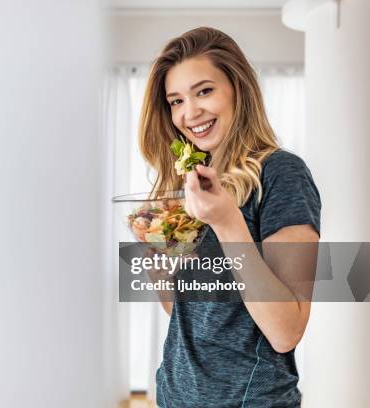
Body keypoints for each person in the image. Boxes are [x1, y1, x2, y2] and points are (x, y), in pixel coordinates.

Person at [138, 27, 321, 407]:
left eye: (204, 91)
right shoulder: (192, 186)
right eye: (175, 101)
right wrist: (159, 257)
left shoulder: (281, 174)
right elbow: (182, 309)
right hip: (175, 395)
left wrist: (227, 223)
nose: (190, 113)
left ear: (238, 88)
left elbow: (286, 331)